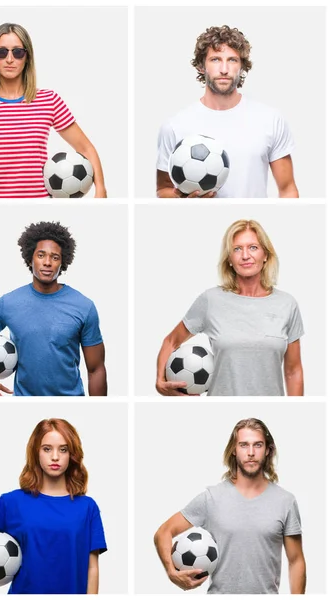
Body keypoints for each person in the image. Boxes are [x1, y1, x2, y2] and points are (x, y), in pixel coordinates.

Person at [154, 418, 306, 594]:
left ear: (267, 451)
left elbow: (296, 561)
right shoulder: (211, 498)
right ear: (234, 450)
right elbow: (163, 532)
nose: (250, 452)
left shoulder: (285, 501)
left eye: (257, 445)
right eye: (243, 445)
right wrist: (171, 573)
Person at [0, 22, 107, 198]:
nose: (10, 59)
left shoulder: (49, 100)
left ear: (27, 57)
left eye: (18, 52)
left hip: (38, 207)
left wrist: (101, 190)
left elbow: (86, 148)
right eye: (2, 52)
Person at [0, 418, 107, 594]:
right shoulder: (12, 502)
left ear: (72, 454)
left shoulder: (88, 507)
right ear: (36, 452)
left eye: (63, 449)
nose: (55, 456)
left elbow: (92, 568)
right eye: (47, 449)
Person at [156, 219, 303, 396]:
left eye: (253, 247)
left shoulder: (287, 304)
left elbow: (293, 371)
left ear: (266, 255)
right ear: (230, 259)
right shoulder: (211, 300)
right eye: (237, 249)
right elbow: (171, 341)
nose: (245, 255)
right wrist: (160, 382)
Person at [0, 221, 107, 396]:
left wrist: (98, 410)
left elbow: (96, 369)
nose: (47, 262)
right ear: (30, 258)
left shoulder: (84, 306)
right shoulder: (8, 303)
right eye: (41, 255)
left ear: (63, 262)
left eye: (55, 257)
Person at [156, 25, 298, 198]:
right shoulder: (175, 126)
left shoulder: (270, 119)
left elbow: (287, 189)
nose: (224, 69)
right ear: (202, 66)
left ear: (242, 66)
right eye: (215, 59)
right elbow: (163, 189)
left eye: (232, 60)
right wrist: (184, 202)